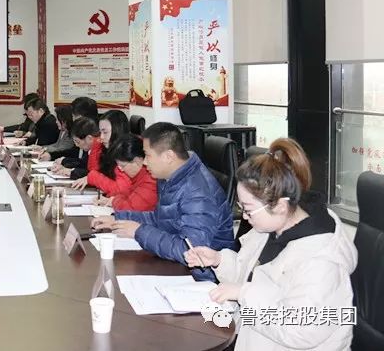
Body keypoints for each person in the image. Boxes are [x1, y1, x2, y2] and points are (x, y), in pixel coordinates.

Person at [184, 139, 357, 350]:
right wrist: (219, 260)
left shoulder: (321, 260)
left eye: (248, 209)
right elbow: (248, 276)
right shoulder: (270, 229)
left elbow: (300, 330)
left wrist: (243, 294)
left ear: (281, 206)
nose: (244, 217)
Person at [92, 122, 234, 281]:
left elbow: (190, 250)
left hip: (203, 277)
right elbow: (161, 218)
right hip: (176, 265)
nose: (144, 162)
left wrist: (139, 232)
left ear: (168, 156)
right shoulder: (171, 176)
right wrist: (118, 219)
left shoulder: (198, 193)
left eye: (148, 155)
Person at [86, 134, 158, 212]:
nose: (121, 169)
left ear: (137, 161)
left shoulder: (150, 180)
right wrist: (111, 200)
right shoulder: (138, 177)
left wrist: (114, 201)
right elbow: (125, 195)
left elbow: (129, 208)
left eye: (123, 165)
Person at [70, 110, 129, 190]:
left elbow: (120, 189)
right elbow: (93, 171)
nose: (101, 137)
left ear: (117, 131)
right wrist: (96, 145)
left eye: (105, 132)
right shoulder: (107, 150)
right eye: (100, 132)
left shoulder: (127, 154)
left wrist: (93, 177)